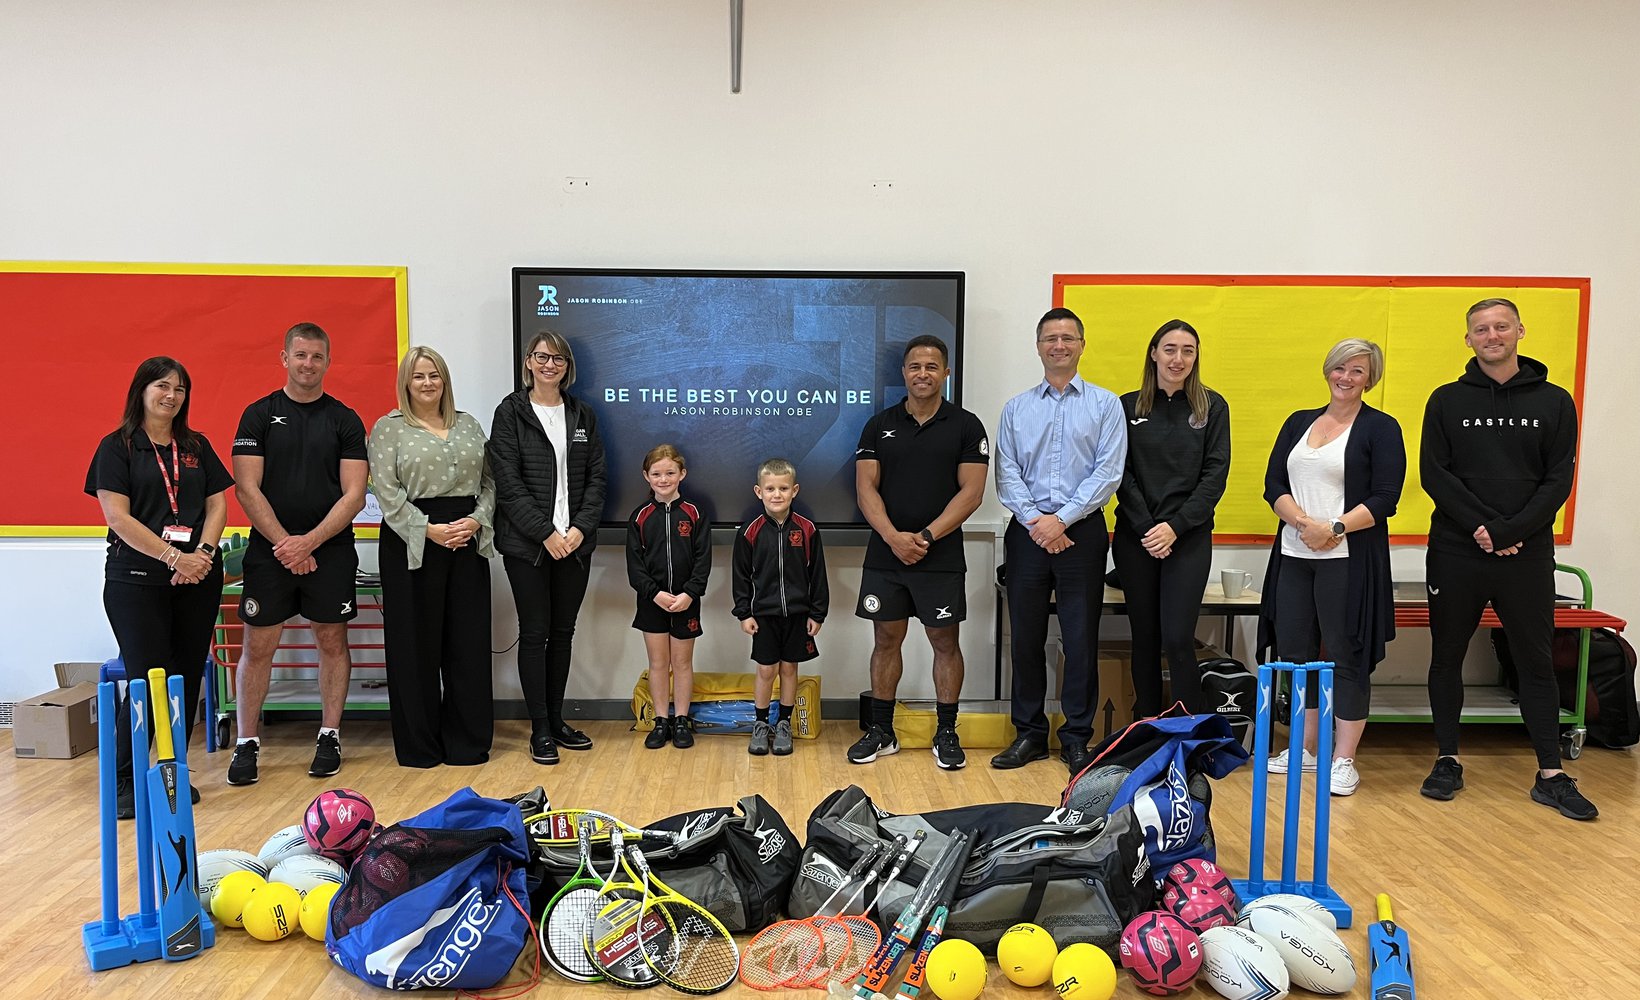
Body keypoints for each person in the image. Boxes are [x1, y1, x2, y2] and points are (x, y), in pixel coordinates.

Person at [1418, 298, 1594, 820]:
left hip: (1526, 553)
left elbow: (1557, 479)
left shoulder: (1556, 401)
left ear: (1520, 330)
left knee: (1535, 661)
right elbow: (1435, 474)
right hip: (1457, 549)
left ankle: (1551, 774)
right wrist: (1486, 529)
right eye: (1480, 329)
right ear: (1467, 339)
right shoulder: (1446, 400)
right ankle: (1447, 759)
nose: (1491, 335)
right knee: (1446, 657)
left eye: (1500, 326)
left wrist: (1508, 531)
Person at [1257, 338, 1404, 796]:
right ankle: (1302, 749)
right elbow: (1273, 483)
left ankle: (1343, 760)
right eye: (1340, 368)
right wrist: (1304, 523)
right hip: (1295, 557)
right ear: (1328, 371)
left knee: (1347, 655)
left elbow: (1385, 498)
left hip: (1348, 561)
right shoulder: (1299, 422)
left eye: (1357, 371)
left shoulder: (1381, 428)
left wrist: (1334, 528)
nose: (1346, 377)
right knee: (1296, 654)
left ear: (1370, 378)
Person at [87, 357, 231, 818]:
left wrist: (202, 557)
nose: (171, 396)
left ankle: (172, 771)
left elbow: (217, 504)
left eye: (181, 389)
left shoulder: (194, 445)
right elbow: (118, 518)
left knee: (184, 679)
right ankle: (126, 777)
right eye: (162, 386)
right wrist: (174, 557)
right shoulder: (117, 447)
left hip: (196, 580)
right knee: (147, 680)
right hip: (137, 582)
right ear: (142, 390)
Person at [230, 323, 368, 785]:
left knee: (332, 642)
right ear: (284, 358)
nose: (308, 364)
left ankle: (329, 734)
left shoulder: (345, 419)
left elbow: (354, 495)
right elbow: (247, 488)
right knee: (258, 645)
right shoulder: (258, 414)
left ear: (328, 361)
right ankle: (246, 743)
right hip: (270, 553)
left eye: (317, 357)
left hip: (328, 552)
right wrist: (286, 545)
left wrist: (308, 543)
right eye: (301, 355)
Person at [992, 307, 1128, 773]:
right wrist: (1038, 522)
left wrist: (1062, 520)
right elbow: (1006, 474)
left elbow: (1107, 473)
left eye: (1068, 338)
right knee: (1025, 638)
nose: (1059, 345)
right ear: (1038, 346)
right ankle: (1028, 734)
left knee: (1079, 639)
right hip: (1028, 533)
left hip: (1082, 533)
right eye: (1051, 338)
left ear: (1081, 345)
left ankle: (1076, 738)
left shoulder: (1106, 405)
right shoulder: (1016, 408)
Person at [851, 334, 989, 771]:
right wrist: (894, 537)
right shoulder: (879, 424)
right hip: (886, 554)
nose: (923, 374)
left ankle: (946, 732)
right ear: (904, 373)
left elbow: (972, 493)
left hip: (941, 557)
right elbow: (865, 488)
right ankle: (881, 731)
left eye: (932, 366)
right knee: (885, 640)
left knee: (944, 641)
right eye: (915, 366)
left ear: (946, 373)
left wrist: (926, 537)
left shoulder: (967, 426)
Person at [368, 346, 496, 768]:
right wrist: (428, 530)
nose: (427, 383)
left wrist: (477, 521)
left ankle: (467, 743)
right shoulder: (389, 428)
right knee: (415, 646)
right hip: (412, 542)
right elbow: (386, 492)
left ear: (445, 381)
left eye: (434, 375)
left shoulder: (469, 424)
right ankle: (420, 745)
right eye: (419, 376)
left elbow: (490, 482)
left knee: (468, 645)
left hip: (465, 539)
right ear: (406, 382)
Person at [489, 331, 608, 766]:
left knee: (563, 634)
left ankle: (557, 721)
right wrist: (546, 533)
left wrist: (578, 529)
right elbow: (508, 483)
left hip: (575, 545)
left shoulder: (582, 414)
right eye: (542, 357)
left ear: (566, 366)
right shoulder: (510, 413)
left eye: (557, 358)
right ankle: (539, 729)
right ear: (528, 362)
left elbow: (597, 478)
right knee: (535, 633)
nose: (549, 364)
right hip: (529, 547)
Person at [1112, 319, 1231, 717]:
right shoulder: (1126, 406)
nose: (1178, 359)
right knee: (1144, 637)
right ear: (1153, 353)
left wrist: (1175, 527)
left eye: (1188, 351)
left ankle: (1187, 730)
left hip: (1188, 538)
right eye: (1170, 349)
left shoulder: (1212, 406)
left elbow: (1215, 476)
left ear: (1196, 357)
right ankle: (1145, 724)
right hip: (1137, 538)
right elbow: (1119, 473)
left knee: (1178, 638)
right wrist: (1149, 528)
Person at [732, 457, 829, 757]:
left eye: (783, 488)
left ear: (794, 490)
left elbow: (818, 575)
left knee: (789, 669)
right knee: (765, 670)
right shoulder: (749, 532)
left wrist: (817, 613)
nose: (777, 494)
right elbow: (740, 576)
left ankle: (784, 724)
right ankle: (761, 725)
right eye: (770, 488)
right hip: (764, 615)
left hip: (798, 616)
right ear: (758, 491)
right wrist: (744, 612)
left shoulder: (808, 530)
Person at [625, 444, 711, 750]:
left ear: (682, 474)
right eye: (657, 473)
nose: (664, 479)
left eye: (670, 473)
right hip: (652, 604)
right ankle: (661, 720)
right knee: (658, 663)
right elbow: (635, 568)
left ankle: (681, 720)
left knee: (683, 663)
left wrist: (689, 593)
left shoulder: (695, 513)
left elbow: (703, 561)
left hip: (687, 603)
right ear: (646, 476)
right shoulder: (639, 517)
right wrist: (655, 594)